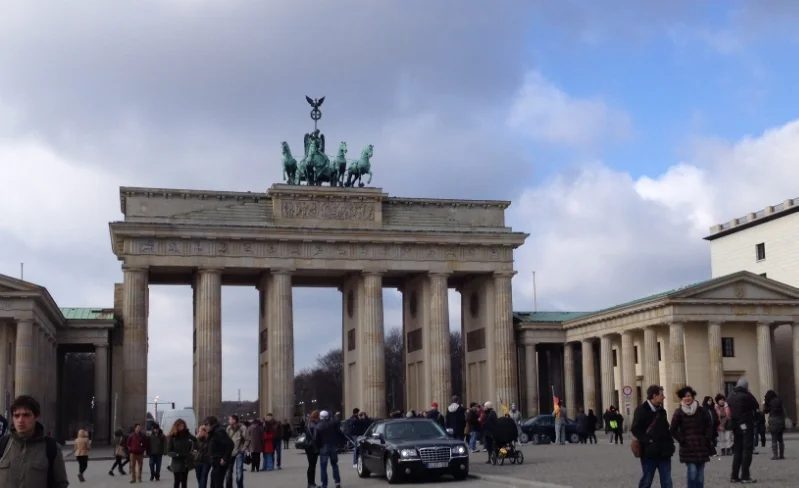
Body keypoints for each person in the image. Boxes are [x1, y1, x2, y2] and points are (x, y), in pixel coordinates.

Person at [0, 395, 69, 488]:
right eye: (16, 416)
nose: (20, 420)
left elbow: (61, 484)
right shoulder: (3, 444)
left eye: (26, 415)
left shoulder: (51, 448)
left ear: (36, 417)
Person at [630, 385, 674, 488]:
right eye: (661, 395)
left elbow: (666, 429)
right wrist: (648, 440)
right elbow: (635, 429)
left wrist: (671, 445)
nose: (663, 397)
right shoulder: (641, 410)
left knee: (667, 482)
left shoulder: (662, 411)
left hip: (664, 452)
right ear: (654, 396)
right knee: (647, 480)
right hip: (649, 453)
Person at [670, 386, 712, 488]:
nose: (687, 398)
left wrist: (707, 438)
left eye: (689, 396)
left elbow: (709, 425)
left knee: (700, 476)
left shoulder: (701, 410)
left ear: (692, 396)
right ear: (681, 399)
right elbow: (673, 430)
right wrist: (682, 440)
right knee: (692, 473)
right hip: (688, 447)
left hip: (701, 446)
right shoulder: (679, 412)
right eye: (684, 397)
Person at [727, 378, 759, 483]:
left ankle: (734, 476)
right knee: (747, 450)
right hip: (746, 424)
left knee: (738, 451)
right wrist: (749, 393)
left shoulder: (730, 396)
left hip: (736, 426)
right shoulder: (746, 396)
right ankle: (745, 476)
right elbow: (756, 405)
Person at [204, 416, 234, 488]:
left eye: (206, 425)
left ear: (210, 424)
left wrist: (224, 458)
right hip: (215, 461)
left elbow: (230, 444)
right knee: (214, 483)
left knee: (217, 484)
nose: (205, 427)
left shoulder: (219, 432)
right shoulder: (214, 432)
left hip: (219, 461)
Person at [314, 410, 342, 488]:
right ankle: (337, 482)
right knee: (334, 464)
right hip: (333, 445)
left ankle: (324, 484)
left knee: (323, 467)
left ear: (320, 416)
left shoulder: (318, 426)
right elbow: (337, 425)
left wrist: (318, 447)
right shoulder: (332, 424)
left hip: (323, 447)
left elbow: (316, 439)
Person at [167, 418, 198, 488]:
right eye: (180, 426)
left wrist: (195, 450)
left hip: (185, 461)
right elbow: (168, 451)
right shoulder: (172, 437)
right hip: (176, 462)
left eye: (183, 426)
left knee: (184, 481)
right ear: (176, 426)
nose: (181, 427)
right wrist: (175, 454)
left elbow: (195, 440)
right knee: (177, 481)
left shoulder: (187, 434)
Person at [225, 414, 249, 487]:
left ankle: (240, 486)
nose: (229, 420)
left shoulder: (242, 428)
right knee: (228, 472)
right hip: (230, 453)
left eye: (230, 419)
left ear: (234, 420)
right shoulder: (228, 428)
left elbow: (247, 439)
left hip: (239, 452)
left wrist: (243, 449)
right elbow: (226, 440)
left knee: (239, 472)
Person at [763, 389, 786, 460]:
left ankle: (775, 455)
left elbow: (765, 411)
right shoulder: (779, 400)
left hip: (773, 420)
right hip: (781, 420)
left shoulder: (770, 402)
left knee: (774, 439)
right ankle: (781, 455)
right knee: (780, 439)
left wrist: (764, 404)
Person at [304, 410, 321, 488]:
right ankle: (311, 483)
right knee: (312, 465)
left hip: (308, 446)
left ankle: (311, 483)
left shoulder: (308, 423)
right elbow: (315, 437)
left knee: (311, 465)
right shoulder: (314, 425)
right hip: (312, 447)